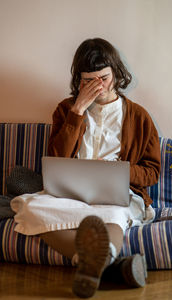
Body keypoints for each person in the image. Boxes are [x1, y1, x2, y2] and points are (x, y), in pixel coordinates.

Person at [11, 38, 161, 298]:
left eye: (103, 77)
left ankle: (92, 264)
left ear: (116, 72)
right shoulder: (65, 109)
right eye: (89, 80)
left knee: (115, 213)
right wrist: (78, 110)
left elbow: (152, 171)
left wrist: (120, 170)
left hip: (119, 194)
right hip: (72, 194)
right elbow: (55, 158)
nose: (98, 86)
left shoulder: (138, 116)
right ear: (79, 80)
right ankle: (110, 267)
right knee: (28, 207)